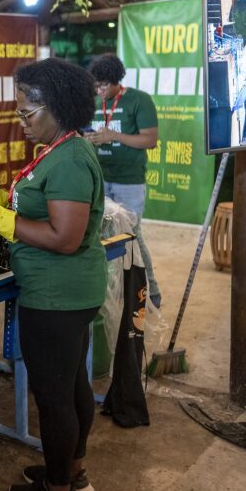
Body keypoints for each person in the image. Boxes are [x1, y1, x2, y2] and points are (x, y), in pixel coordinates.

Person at [0, 58, 106, 491]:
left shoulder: (68, 159)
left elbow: (64, 238)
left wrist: (1, 220)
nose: (21, 123)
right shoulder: (59, 147)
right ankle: (72, 472)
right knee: (72, 385)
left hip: (56, 295)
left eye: (28, 114)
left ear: (58, 107)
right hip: (67, 293)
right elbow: (41, 209)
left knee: (53, 396)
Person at [85, 53, 161, 307]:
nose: (100, 90)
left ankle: (150, 293)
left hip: (129, 182)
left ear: (117, 81)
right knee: (103, 236)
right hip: (100, 179)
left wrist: (113, 136)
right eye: (96, 85)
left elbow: (149, 139)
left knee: (132, 235)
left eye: (104, 85)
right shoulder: (94, 103)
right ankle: (113, 295)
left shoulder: (138, 100)